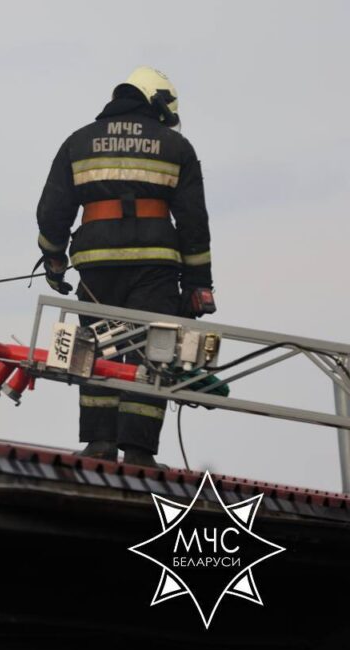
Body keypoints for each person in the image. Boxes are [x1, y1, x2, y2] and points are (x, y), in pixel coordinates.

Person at [35, 67, 215, 467]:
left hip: (96, 266)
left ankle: (99, 443)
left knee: (99, 345)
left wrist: (54, 258)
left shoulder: (78, 142)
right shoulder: (176, 146)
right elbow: (192, 221)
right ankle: (138, 452)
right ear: (157, 102)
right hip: (155, 265)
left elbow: (53, 210)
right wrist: (199, 284)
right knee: (153, 349)